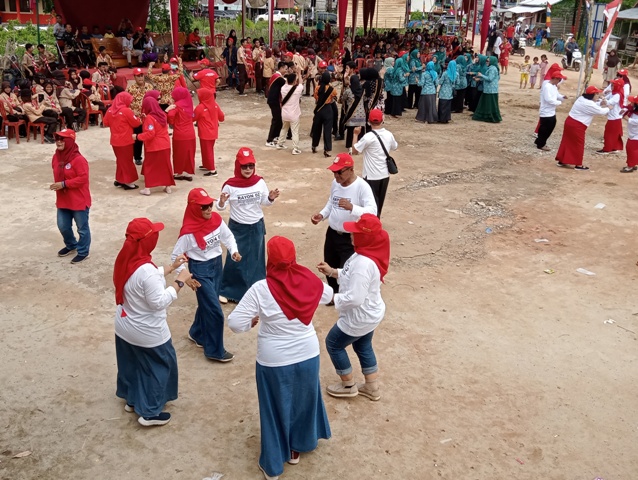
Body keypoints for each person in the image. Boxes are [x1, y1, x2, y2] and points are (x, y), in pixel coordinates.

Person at [228, 236, 333, 480]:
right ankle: (298, 447)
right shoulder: (309, 279)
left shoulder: (261, 288)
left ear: (270, 259)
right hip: (308, 353)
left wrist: (251, 322)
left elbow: (234, 323)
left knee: (273, 408)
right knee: (304, 400)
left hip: (274, 359)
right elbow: (328, 295)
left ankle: (274, 463)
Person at [113, 218, 196, 427]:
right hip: (147, 331)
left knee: (133, 363)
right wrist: (179, 282)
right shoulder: (147, 272)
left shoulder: (126, 258)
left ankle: (132, 399)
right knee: (160, 366)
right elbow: (158, 302)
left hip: (124, 325)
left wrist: (171, 267)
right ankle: (149, 412)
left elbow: (140, 278)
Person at [316, 213, 389, 401]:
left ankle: (348, 385)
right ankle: (372, 386)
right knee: (363, 345)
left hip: (359, 317)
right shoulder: (364, 253)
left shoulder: (363, 264)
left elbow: (355, 298)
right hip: (371, 314)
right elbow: (350, 274)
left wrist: (333, 297)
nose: (350, 234)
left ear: (365, 237)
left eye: (355, 232)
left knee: (333, 344)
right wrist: (333, 272)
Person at [172, 188, 241, 362]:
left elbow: (228, 237)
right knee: (215, 311)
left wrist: (233, 250)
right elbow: (176, 257)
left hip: (216, 266)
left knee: (208, 303)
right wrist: (186, 276)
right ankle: (214, 350)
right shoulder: (188, 233)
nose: (209, 209)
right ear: (194, 208)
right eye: (204, 207)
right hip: (200, 271)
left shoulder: (216, 220)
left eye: (210, 204)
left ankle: (197, 333)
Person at [217, 147, 279, 304]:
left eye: (251, 165)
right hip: (238, 227)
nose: (248, 169)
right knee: (235, 259)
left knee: (256, 260)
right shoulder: (230, 185)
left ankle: (255, 292)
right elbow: (221, 207)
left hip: (256, 226)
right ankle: (228, 291)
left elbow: (264, 202)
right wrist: (222, 202)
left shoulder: (259, 182)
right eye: (244, 166)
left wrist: (270, 198)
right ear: (238, 165)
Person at [311, 153, 377, 295]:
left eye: (339, 172)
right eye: (334, 172)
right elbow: (331, 202)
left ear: (351, 169)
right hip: (333, 233)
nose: (336, 176)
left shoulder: (362, 187)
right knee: (330, 264)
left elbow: (373, 211)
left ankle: (345, 297)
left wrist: (352, 207)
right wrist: (322, 215)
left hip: (350, 238)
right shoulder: (336, 183)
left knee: (346, 270)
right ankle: (334, 295)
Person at [49, 129, 91, 264]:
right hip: (63, 199)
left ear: (70, 141)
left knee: (82, 229)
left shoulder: (79, 160)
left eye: (62, 139)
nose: (59, 142)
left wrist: (63, 184)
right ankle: (71, 245)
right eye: (57, 139)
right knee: (63, 226)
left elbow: (83, 179)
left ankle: (83, 251)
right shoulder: (56, 157)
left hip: (78, 200)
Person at [353, 109, 398, 217]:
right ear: (382, 120)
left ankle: (372, 223)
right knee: (379, 203)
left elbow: (355, 151)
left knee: (370, 204)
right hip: (384, 174)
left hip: (371, 176)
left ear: (369, 121)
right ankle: (377, 221)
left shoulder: (368, 137)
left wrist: (355, 134)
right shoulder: (388, 134)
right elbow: (394, 147)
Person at [555, 86, 609, 170]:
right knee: (578, 144)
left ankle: (562, 160)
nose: (598, 95)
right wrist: (608, 108)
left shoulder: (581, 98)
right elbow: (601, 111)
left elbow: (593, 105)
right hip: (577, 125)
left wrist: (600, 103)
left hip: (570, 121)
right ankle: (578, 164)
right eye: (597, 94)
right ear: (593, 95)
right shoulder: (589, 104)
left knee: (567, 141)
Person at [137, 93, 174, 195]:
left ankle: (147, 188)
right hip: (165, 145)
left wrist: (137, 136)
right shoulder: (162, 115)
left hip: (154, 146)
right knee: (166, 166)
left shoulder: (150, 118)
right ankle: (168, 187)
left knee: (150, 166)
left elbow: (150, 133)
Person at [103, 92, 142, 190]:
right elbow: (136, 123)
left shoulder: (110, 110)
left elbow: (105, 122)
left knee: (120, 160)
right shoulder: (126, 111)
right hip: (126, 140)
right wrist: (137, 117)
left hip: (115, 140)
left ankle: (121, 179)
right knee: (127, 161)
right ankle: (128, 181)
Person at [166, 87, 196, 181]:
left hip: (180, 133)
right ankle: (188, 172)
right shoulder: (189, 104)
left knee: (179, 154)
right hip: (190, 133)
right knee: (189, 154)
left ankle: (179, 173)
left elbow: (170, 115)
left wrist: (172, 123)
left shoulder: (176, 105)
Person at [194, 87, 225, 176]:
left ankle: (212, 170)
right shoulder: (215, 105)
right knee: (206, 149)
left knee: (208, 151)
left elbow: (193, 117)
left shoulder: (200, 107)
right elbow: (221, 117)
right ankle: (206, 164)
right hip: (213, 132)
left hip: (204, 133)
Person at [126, 68, 154, 165]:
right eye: (138, 76)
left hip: (149, 117)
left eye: (142, 75)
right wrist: (131, 111)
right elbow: (126, 103)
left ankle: (150, 156)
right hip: (137, 118)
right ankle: (137, 157)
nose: (140, 78)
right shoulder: (131, 89)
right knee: (138, 137)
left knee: (149, 136)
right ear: (134, 77)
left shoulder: (150, 87)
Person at [535, 71, 567, 152]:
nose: (559, 81)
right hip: (546, 111)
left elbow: (556, 95)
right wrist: (558, 102)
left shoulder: (554, 86)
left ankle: (540, 141)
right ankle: (541, 144)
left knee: (550, 126)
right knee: (545, 129)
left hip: (551, 111)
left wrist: (562, 97)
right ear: (555, 78)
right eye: (559, 80)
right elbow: (548, 99)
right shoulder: (547, 87)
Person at [312, 72, 337, 157]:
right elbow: (335, 95)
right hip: (328, 109)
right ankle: (327, 150)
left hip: (319, 109)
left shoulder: (317, 88)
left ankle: (314, 146)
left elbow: (315, 97)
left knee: (317, 129)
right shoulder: (331, 89)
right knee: (327, 130)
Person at [276, 73, 303, 155]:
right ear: (295, 81)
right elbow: (301, 83)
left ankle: (280, 143)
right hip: (294, 114)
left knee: (284, 128)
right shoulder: (298, 89)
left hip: (284, 113)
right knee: (295, 131)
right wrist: (299, 73)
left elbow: (287, 82)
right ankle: (295, 148)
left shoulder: (283, 88)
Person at [597, 78, 625, 155]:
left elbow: (609, 102)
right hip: (614, 117)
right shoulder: (613, 93)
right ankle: (615, 147)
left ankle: (607, 149)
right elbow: (606, 99)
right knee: (615, 134)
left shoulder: (617, 95)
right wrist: (600, 100)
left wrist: (602, 98)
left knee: (609, 134)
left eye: (613, 85)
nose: (611, 86)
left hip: (614, 118)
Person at [266, 62, 289, 147]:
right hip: (274, 101)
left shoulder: (277, 76)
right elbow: (288, 83)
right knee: (276, 120)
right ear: (281, 68)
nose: (286, 71)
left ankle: (275, 136)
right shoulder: (277, 77)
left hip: (275, 100)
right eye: (285, 69)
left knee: (279, 119)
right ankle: (269, 140)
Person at [472, 56, 502, 123]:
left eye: (488, 61)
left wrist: (481, 75)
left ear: (492, 61)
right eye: (486, 61)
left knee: (489, 104)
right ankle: (485, 116)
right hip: (489, 89)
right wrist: (479, 79)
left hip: (490, 90)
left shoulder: (492, 69)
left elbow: (490, 78)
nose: (486, 62)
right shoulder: (491, 68)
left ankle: (490, 117)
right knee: (487, 103)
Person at [343, 75, 367, 153]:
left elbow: (343, 99)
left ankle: (350, 147)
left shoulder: (348, 91)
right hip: (361, 115)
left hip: (352, 115)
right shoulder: (363, 91)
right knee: (360, 132)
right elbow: (365, 99)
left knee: (350, 131)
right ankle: (360, 147)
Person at [622, 95, 638, 172]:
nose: (631, 103)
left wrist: (627, 118)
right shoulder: (634, 110)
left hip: (635, 136)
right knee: (632, 149)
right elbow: (628, 108)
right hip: (633, 134)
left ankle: (630, 166)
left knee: (631, 150)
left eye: (633, 102)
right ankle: (633, 164)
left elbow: (635, 122)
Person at [437, 60, 456, 124]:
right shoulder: (455, 74)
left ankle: (441, 119)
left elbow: (440, 82)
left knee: (442, 106)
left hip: (443, 91)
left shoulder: (445, 73)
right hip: (450, 92)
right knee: (448, 106)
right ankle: (447, 118)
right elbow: (457, 82)